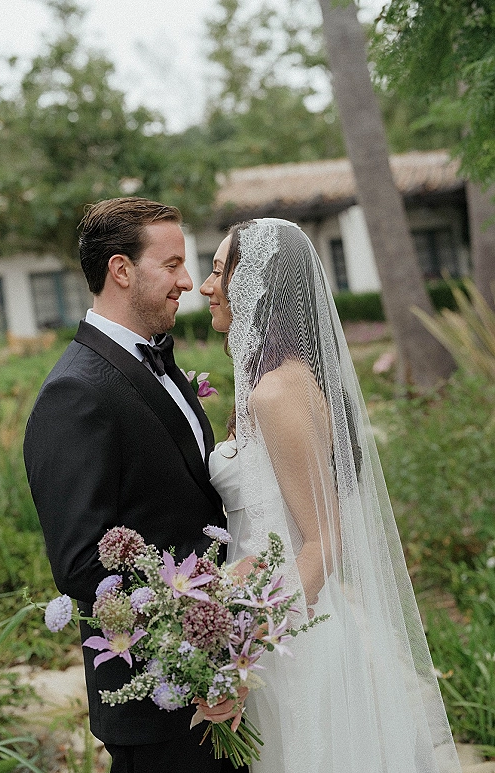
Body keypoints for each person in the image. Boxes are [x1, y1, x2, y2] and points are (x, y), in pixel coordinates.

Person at [199, 218, 462, 773]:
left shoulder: (279, 391)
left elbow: (325, 538)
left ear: (256, 286)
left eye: (220, 270)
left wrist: (246, 642)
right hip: (281, 625)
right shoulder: (272, 382)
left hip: (292, 640)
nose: (206, 285)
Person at [23, 197, 244, 773]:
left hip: (219, 683)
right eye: (171, 265)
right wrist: (190, 639)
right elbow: (81, 566)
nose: (188, 283)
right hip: (159, 699)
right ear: (122, 270)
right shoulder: (75, 394)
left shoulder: (163, 364)